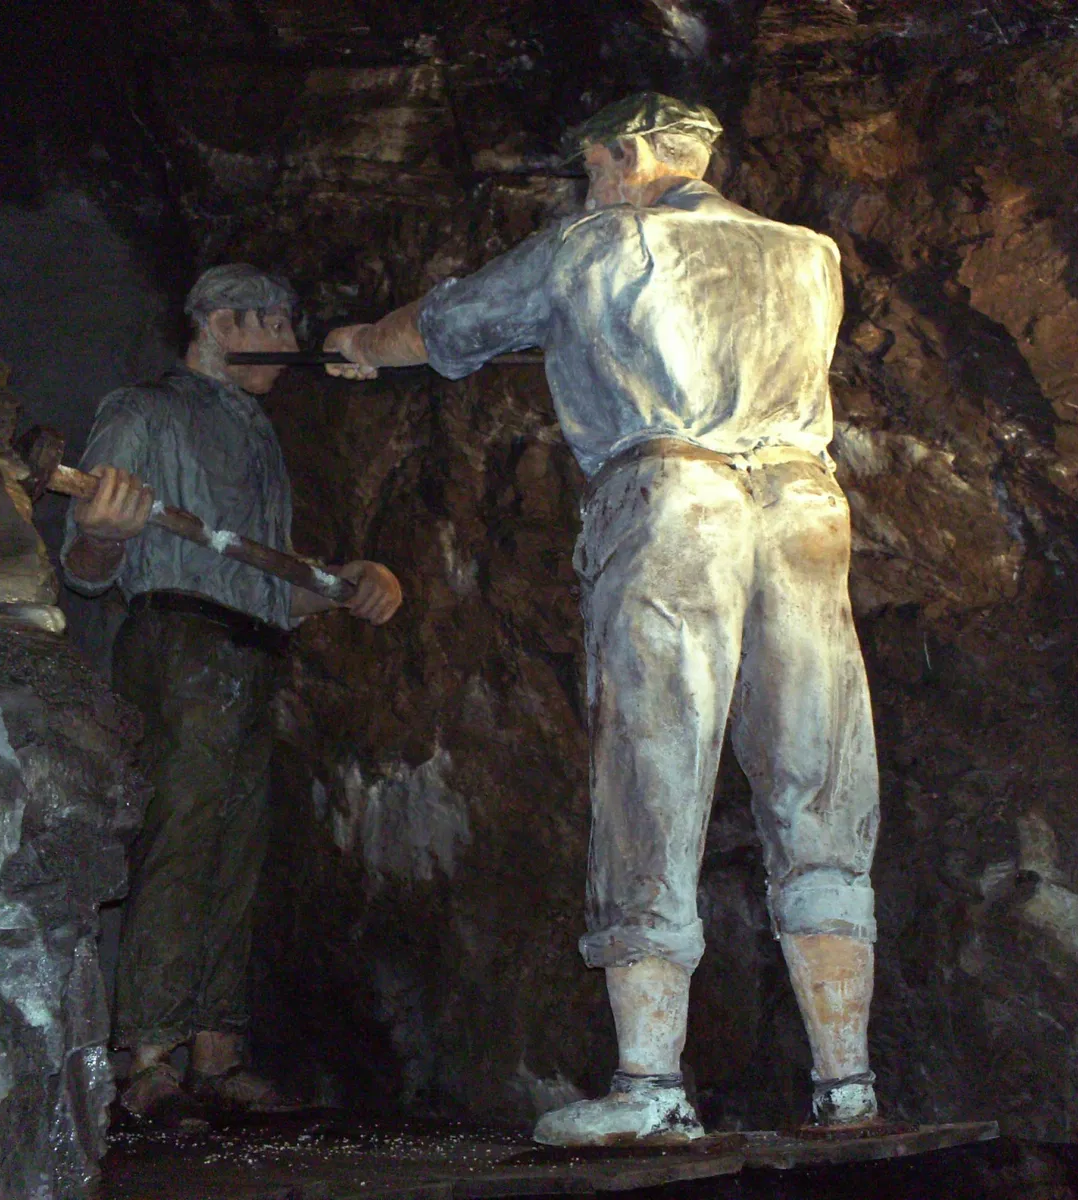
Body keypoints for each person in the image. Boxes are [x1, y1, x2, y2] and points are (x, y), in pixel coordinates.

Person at [323, 93, 881, 1146]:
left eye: (590, 166)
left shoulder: (598, 240)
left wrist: (359, 341)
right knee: (820, 772)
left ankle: (650, 1085)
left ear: (627, 156)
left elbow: (450, 322)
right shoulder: (808, 255)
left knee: (653, 773)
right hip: (806, 509)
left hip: (675, 498)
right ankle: (846, 1084)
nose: (586, 185)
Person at [61, 264, 402, 1119]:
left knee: (237, 844)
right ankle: (148, 1058)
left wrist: (345, 584)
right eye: (275, 330)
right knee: (183, 832)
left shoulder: (255, 435)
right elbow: (87, 567)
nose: (289, 352)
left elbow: (271, 584)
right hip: (177, 639)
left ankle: (215, 1049)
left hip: (250, 650)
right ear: (218, 322)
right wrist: (100, 536)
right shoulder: (144, 413)